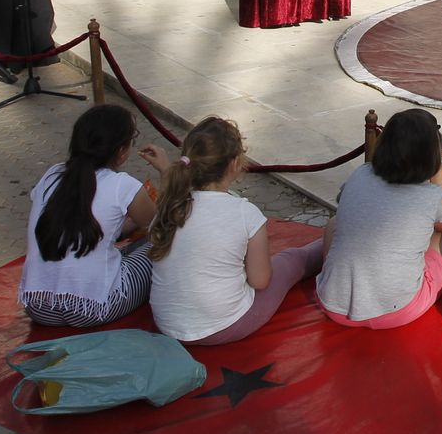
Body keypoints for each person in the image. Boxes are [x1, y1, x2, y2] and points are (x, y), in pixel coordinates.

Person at [148, 117, 324, 345]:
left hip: (167, 325)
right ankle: (330, 243)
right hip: (226, 325)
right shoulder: (244, 212)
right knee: (290, 260)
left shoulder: (168, 206)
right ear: (234, 164)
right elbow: (260, 281)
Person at [19, 105, 172, 327]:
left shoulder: (52, 173)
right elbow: (164, 228)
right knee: (161, 247)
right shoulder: (123, 185)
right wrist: (167, 172)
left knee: (129, 248)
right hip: (94, 309)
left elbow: (82, 219)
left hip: (38, 307)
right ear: (121, 151)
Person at [316, 109, 442, 329]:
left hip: (332, 304)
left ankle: (321, 267)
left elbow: (344, 201)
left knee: (335, 222)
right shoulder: (431, 196)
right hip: (398, 310)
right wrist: (438, 169)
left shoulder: (361, 173)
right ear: (433, 155)